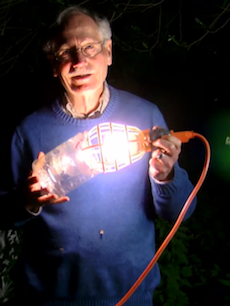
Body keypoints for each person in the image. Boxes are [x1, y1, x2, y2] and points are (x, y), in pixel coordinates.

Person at [0, 5, 197, 306]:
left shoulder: (145, 117)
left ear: (108, 52)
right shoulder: (30, 131)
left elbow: (181, 211)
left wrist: (166, 176)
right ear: (54, 64)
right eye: (66, 52)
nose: (80, 61)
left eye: (90, 47)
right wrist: (26, 201)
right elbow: (3, 213)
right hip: (49, 297)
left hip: (129, 296)